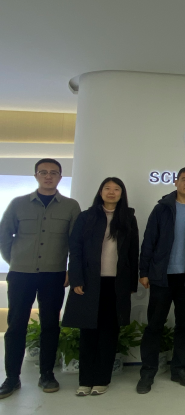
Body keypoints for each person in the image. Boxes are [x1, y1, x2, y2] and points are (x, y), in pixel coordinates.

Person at [0, 159, 80, 399]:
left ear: (60, 177)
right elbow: (4, 236)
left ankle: (47, 374)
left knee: (50, 325)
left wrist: (71, 269)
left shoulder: (70, 206)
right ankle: (11, 378)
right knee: (16, 326)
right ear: (36, 175)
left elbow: (75, 243)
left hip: (54, 274)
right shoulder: (18, 203)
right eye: (43, 172)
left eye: (53, 172)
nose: (48, 176)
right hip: (21, 274)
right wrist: (16, 260)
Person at [137, 167, 185, 394]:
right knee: (154, 325)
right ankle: (147, 371)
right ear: (176, 182)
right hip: (162, 276)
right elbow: (149, 240)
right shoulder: (162, 208)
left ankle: (179, 369)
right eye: (184, 179)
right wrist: (144, 271)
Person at [62, 177, 139, 396]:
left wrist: (131, 283)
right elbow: (75, 250)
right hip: (89, 283)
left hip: (116, 284)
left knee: (109, 332)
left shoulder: (128, 218)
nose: (111, 192)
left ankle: (102, 380)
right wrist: (76, 279)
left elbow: (133, 252)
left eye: (116, 189)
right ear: (100, 192)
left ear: (122, 194)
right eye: (107, 188)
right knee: (88, 332)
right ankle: (85, 380)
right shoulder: (86, 217)